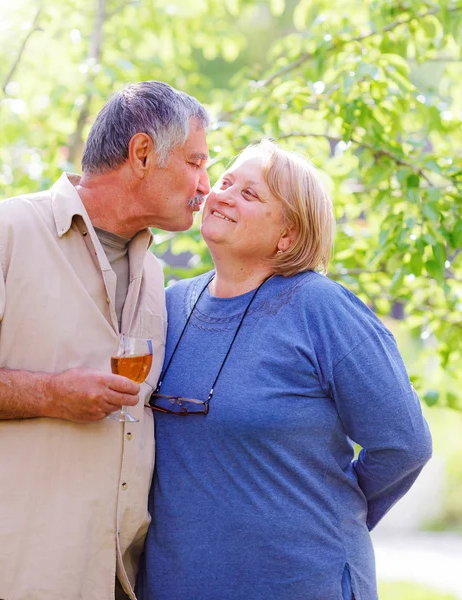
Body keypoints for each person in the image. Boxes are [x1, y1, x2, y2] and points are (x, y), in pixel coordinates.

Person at [0, 81, 211, 600]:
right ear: (144, 153)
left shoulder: (153, 273)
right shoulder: (4, 231)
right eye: (196, 162)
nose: (205, 184)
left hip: (106, 584)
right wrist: (51, 393)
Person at [140, 139, 432, 600]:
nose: (223, 195)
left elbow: (404, 444)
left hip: (301, 582)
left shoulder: (321, 308)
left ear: (288, 236)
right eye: (226, 182)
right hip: (175, 584)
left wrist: (332, 512)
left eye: (251, 194)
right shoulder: (169, 305)